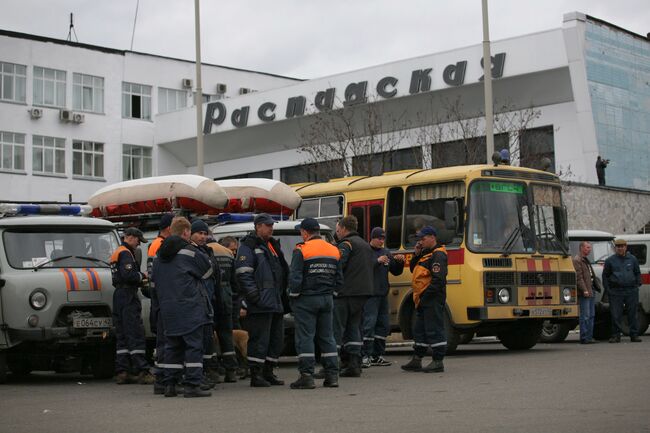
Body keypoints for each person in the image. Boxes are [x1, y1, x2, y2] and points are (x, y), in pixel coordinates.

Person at [153, 216, 214, 397]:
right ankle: (192, 385)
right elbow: (208, 271)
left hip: (167, 308)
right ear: (186, 232)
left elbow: (155, 281)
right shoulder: (189, 252)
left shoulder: (159, 255)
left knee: (172, 346)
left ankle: (170, 385)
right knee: (194, 346)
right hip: (189, 307)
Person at [235, 213, 289, 387]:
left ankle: (268, 371)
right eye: (267, 225)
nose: (271, 228)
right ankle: (256, 375)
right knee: (259, 340)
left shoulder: (271, 245)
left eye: (272, 225)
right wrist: (254, 297)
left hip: (275, 302)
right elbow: (244, 274)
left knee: (276, 340)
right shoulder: (248, 246)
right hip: (260, 304)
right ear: (258, 226)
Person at [288, 218, 342, 389]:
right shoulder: (333, 250)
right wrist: (332, 293)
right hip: (327, 299)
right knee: (327, 337)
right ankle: (332, 376)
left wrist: (293, 296)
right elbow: (339, 278)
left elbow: (295, 277)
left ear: (305, 232)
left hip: (306, 299)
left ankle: (306, 376)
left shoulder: (301, 250)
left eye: (301, 232)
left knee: (306, 337)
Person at [110, 227, 154, 385]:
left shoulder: (117, 252)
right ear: (129, 237)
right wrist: (142, 276)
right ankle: (143, 370)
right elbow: (129, 275)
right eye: (137, 240)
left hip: (119, 296)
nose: (137, 244)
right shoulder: (126, 253)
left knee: (122, 335)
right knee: (135, 332)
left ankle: (122, 371)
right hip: (128, 295)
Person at [402, 226, 448, 373]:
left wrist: (425, 297)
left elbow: (438, 281)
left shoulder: (438, 255)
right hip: (422, 299)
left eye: (423, 239)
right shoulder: (426, 254)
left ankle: (438, 361)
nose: (420, 242)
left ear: (432, 237)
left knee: (434, 329)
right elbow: (413, 269)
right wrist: (416, 253)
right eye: (419, 239)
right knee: (419, 330)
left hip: (431, 299)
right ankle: (417, 359)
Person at [334, 215, 374, 377]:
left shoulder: (346, 244)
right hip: (363, 293)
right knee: (354, 328)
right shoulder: (365, 244)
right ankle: (354, 363)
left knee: (336, 329)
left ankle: (331, 365)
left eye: (338, 230)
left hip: (346, 293)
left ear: (344, 229)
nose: (337, 234)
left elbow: (338, 265)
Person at [361, 227, 404, 368]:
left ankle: (377, 355)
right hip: (370, 295)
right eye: (379, 238)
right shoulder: (366, 251)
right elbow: (362, 269)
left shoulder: (386, 252)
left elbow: (396, 271)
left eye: (383, 238)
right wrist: (377, 261)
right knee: (369, 325)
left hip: (383, 294)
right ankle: (364, 356)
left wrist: (400, 262)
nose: (381, 241)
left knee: (383, 326)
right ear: (372, 238)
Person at [189, 219, 221, 388]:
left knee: (207, 340)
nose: (202, 237)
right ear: (190, 234)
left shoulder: (206, 251)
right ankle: (197, 376)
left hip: (208, 301)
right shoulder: (192, 252)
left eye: (204, 233)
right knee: (198, 342)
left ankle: (206, 372)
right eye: (199, 233)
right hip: (196, 303)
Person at [146, 213, 174, 394]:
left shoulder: (156, 244)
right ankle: (162, 379)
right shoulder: (159, 245)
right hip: (162, 298)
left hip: (160, 297)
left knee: (164, 341)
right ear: (168, 228)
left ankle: (163, 378)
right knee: (165, 341)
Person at [207, 234, 240, 383]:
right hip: (226, 297)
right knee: (226, 334)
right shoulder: (227, 253)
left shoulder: (204, 251)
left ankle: (213, 371)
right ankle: (231, 371)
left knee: (209, 336)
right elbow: (235, 281)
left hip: (211, 297)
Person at [603, 239, 642, 343]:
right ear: (615, 248)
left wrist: (638, 284)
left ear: (626, 247)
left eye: (622, 246)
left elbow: (637, 272)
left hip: (631, 291)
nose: (620, 248)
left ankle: (634, 335)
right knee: (616, 314)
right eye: (618, 246)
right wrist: (608, 289)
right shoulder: (610, 261)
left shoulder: (633, 259)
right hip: (616, 291)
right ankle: (616, 335)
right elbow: (605, 276)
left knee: (632, 314)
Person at [573, 241, 597, 344]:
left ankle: (589, 336)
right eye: (587, 247)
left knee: (591, 315)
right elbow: (579, 278)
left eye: (590, 248)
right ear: (582, 248)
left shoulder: (585, 260)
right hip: (585, 292)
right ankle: (584, 337)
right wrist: (584, 290)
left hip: (591, 290)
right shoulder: (577, 260)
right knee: (585, 315)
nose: (589, 249)